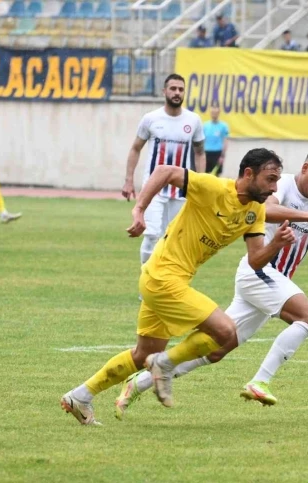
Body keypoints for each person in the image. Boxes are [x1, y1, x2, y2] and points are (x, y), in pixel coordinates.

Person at [113, 145, 308, 416]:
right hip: (260, 272)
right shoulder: (280, 184)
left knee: (217, 350)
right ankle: (260, 381)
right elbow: (265, 210)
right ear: (305, 168)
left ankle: (141, 381)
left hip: (273, 282)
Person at [61, 149, 292, 425]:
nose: (275, 187)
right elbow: (165, 171)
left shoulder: (255, 212)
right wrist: (139, 209)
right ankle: (164, 365)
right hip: (162, 277)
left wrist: (276, 244)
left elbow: (255, 260)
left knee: (142, 354)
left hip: (167, 279)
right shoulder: (213, 187)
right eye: (270, 179)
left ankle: (81, 395)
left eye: (277, 180)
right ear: (248, 174)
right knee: (226, 332)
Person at [121, 73, 206, 265]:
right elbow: (136, 148)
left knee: (174, 240)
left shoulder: (193, 120)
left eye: (181, 89)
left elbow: (200, 152)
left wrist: (200, 183)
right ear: (164, 91)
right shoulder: (151, 119)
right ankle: (146, 289)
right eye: (173, 89)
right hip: (154, 188)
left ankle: (165, 286)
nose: (177, 93)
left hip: (181, 190)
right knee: (151, 235)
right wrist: (128, 180)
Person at [203, 103, 230, 176]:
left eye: (216, 112)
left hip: (217, 154)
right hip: (206, 153)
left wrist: (222, 156)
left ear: (219, 113)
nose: (214, 114)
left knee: (216, 175)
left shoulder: (223, 126)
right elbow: (202, 141)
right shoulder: (205, 125)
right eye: (212, 112)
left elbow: (225, 141)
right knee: (206, 175)